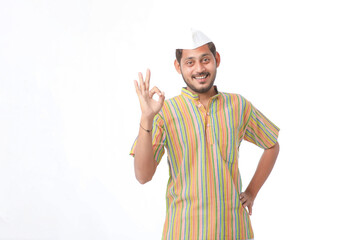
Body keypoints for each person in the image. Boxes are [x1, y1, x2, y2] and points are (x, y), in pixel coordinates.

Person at [130, 29, 280, 240]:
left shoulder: (237, 105)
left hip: (234, 231)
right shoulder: (165, 111)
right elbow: (142, 176)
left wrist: (252, 192)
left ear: (216, 59)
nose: (199, 68)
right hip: (183, 231)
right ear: (178, 66)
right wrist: (147, 118)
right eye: (190, 62)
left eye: (205, 60)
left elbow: (271, 144)